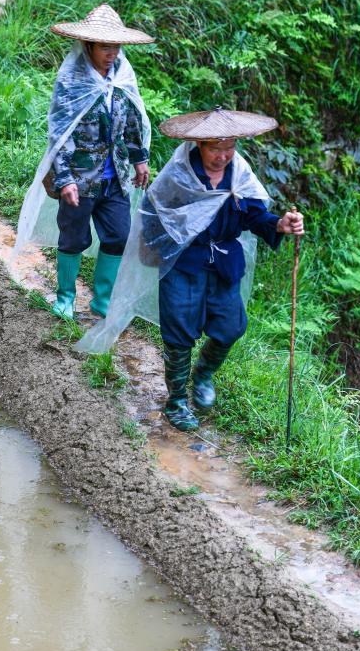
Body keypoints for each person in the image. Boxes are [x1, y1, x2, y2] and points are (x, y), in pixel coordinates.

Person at [76, 107, 304, 431]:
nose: (223, 156)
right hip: (184, 263)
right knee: (179, 331)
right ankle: (177, 400)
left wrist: (281, 223)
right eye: (215, 148)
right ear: (200, 144)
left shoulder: (239, 175)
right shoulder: (179, 175)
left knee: (232, 325)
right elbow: (154, 215)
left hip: (224, 262)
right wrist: (156, 251)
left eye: (229, 147)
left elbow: (256, 216)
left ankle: (204, 375)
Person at [12, 4, 153, 319]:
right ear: (88, 45)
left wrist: (140, 159)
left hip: (114, 174)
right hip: (80, 174)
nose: (112, 53)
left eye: (116, 46)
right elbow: (60, 134)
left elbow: (131, 119)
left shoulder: (122, 77)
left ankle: (102, 302)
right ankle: (65, 298)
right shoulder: (71, 80)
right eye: (105, 46)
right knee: (74, 237)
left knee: (118, 234)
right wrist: (65, 179)